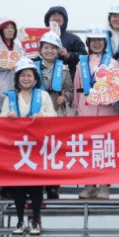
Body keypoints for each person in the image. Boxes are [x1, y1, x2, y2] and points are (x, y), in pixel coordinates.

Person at [0, 58, 57, 237]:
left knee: (36, 186)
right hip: (17, 148)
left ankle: (35, 220)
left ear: (35, 78)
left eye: (29, 75)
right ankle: (19, 221)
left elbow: (54, 117)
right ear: (17, 78)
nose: (26, 78)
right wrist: (8, 116)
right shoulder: (11, 97)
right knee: (18, 186)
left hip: (37, 147)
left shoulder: (43, 96)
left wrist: (42, 115)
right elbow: (0, 119)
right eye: (22, 75)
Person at [72, 24, 119, 199]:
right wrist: (76, 109)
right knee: (88, 149)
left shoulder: (113, 63)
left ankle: (104, 186)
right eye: (93, 40)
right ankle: (89, 185)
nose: (97, 43)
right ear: (88, 42)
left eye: (100, 40)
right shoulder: (81, 63)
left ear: (105, 42)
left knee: (105, 149)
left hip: (106, 112)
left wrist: (111, 99)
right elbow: (77, 87)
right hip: (86, 111)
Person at [34, 31, 74, 200]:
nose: (49, 51)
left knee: (54, 151)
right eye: (46, 47)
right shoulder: (32, 68)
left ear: (58, 50)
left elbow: (70, 90)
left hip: (57, 115)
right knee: (37, 151)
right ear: (41, 49)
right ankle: (37, 186)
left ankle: (53, 186)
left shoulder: (64, 70)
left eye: (53, 48)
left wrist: (65, 98)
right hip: (37, 115)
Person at [0, 16, 27, 109]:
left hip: (13, 85)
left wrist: (24, 43)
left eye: (12, 27)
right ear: (0, 30)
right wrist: (12, 65)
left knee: (11, 112)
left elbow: (25, 61)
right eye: (6, 28)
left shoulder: (18, 46)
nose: (10, 30)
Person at [43, 6, 87, 76]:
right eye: (53, 15)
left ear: (65, 19)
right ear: (48, 19)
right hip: (44, 77)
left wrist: (68, 55)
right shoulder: (41, 37)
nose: (56, 18)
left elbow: (84, 57)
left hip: (67, 79)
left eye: (60, 15)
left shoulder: (74, 38)